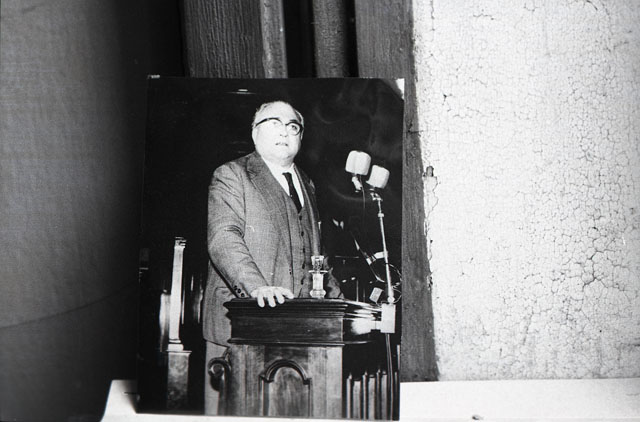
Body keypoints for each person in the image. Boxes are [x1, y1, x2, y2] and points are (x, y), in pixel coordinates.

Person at [202, 101, 341, 414]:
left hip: (296, 334)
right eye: (274, 123)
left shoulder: (308, 184)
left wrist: (340, 301)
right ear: (255, 133)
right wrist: (256, 288)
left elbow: (315, 256)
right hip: (240, 329)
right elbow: (223, 238)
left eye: (293, 126)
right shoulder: (231, 175)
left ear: (301, 137)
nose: (284, 131)